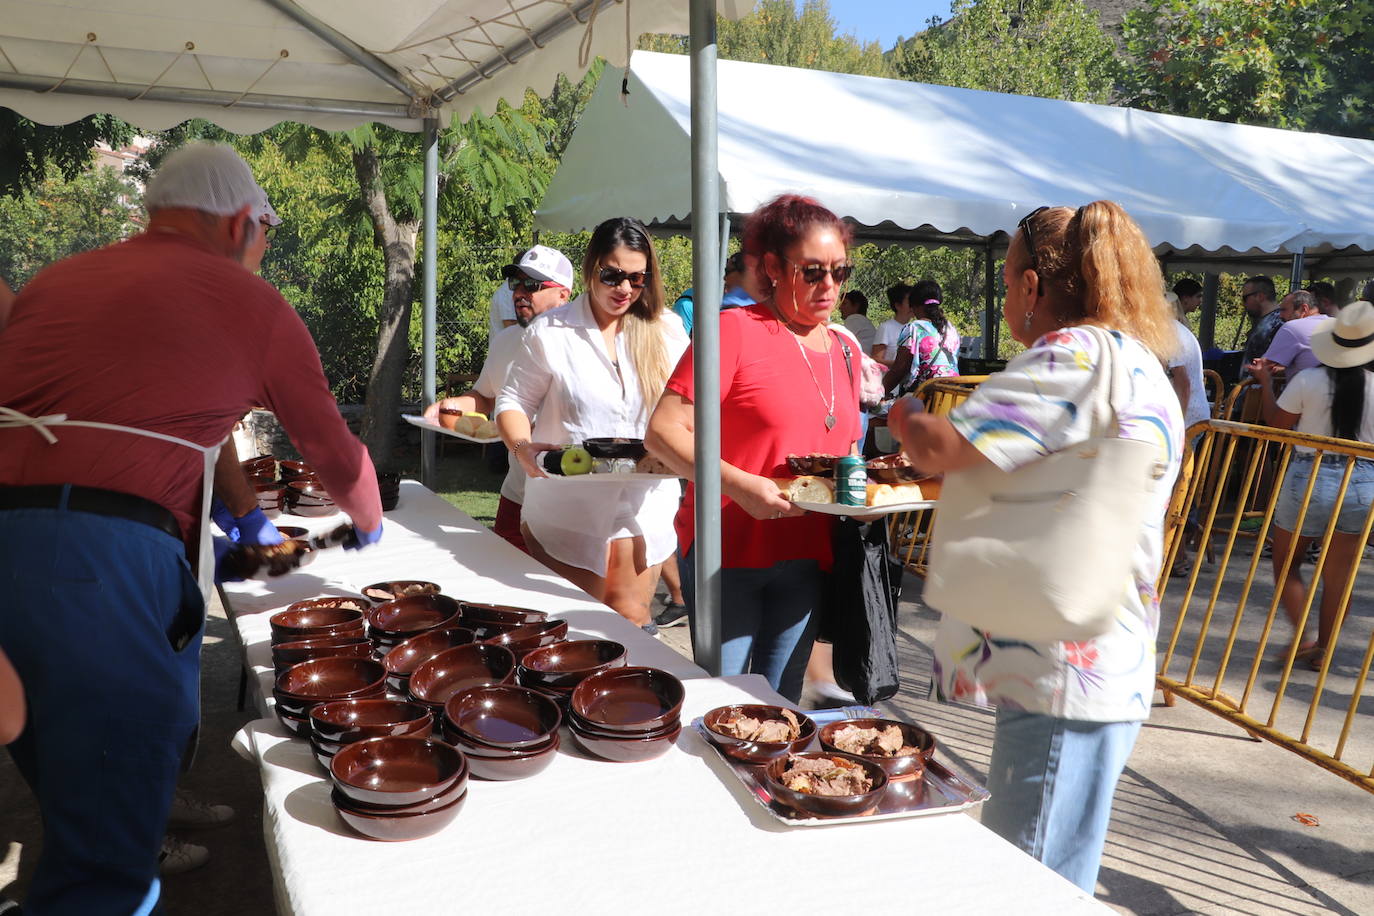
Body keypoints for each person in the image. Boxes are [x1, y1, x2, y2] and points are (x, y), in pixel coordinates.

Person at [0, 142, 383, 915]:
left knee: (75, 781)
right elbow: (331, 450)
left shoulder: (58, 281)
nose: (265, 252)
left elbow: (176, 432)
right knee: (104, 866)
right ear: (242, 222)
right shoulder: (251, 304)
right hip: (103, 564)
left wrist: (242, 515)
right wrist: (368, 518)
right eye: (267, 234)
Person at [887, 201, 1182, 892]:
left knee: (1029, 879)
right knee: (1061, 869)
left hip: (1064, 670)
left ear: (1029, 287)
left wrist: (900, 410)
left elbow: (944, 445)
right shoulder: (1138, 361)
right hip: (1106, 656)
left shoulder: (1074, 354)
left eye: (1010, 276)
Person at [646, 193, 864, 701]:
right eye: (812, 272)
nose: (829, 286)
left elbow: (847, 445)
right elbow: (663, 431)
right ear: (771, 266)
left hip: (809, 557)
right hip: (730, 551)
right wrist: (740, 485)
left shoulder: (845, 350)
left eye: (840, 272)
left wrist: (865, 499)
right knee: (723, 702)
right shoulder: (733, 331)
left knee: (781, 702)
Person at [495, 218, 687, 632]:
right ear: (591, 268)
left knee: (632, 622)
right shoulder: (551, 330)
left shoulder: (668, 330)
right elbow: (513, 401)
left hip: (645, 506)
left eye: (636, 278)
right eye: (612, 275)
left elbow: (691, 407)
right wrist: (522, 447)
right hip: (567, 509)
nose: (623, 289)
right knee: (575, 632)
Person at [1249, 301, 1374, 672]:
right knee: (1339, 576)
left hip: (1308, 476)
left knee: (1287, 563)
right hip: (1363, 480)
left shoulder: (1308, 380)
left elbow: (1276, 423)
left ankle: (1303, 637)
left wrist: (1266, 383)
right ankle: (1322, 650)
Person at [425, 245, 574, 551]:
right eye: (516, 283)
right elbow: (485, 396)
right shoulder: (506, 341)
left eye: (532, 285)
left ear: (563, 295)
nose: (520, 292)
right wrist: (451, 406)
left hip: (568, 497)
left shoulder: (584, 346)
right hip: (516, 493)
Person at [883, 279, 960, 397]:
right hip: (951, 396)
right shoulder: (951, 329)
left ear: (915, 306)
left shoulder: (914, 328)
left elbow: (899, 370)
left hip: (924, 398)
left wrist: (877, 393)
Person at [670, 250, 753, 336]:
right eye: (725, 272)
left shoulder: (752, 304)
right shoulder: (687, 304)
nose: (725, 278)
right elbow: (679, 345)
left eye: (727, 271)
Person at [1258, 289, 1324, 377]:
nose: (1280, 315)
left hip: (1305, 389)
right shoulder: (1334, 324)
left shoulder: (1292, 327)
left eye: (1284, 310)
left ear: (1304, 309)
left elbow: (1262, 367)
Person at [1239, 275, 1282, 379]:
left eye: (1245, 298)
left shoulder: (1279, 323)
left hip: (1261, 391)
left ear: (1260, 296)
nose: (1244, 304)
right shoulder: (1266, 321)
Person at [871, 283, 912, 362]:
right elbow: (876, 359)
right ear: (898, 305)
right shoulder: (886, 328)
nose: (913, 306)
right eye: (909, 302)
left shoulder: (914, 328)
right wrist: (899, 365)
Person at [839, 289, 877, 354]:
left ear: (856, 306)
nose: (840, 307)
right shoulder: (863, 321)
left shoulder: (855, 318)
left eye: (844, 303)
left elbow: (839, 341)